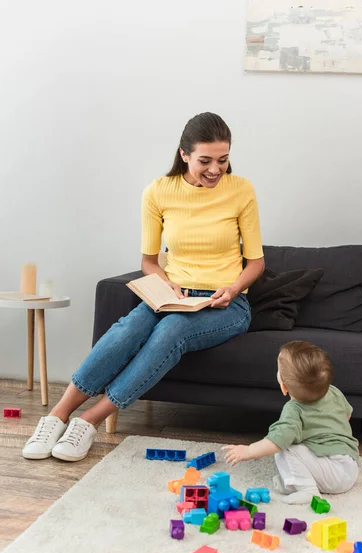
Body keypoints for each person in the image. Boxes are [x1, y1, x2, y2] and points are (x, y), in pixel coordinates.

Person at [23, 112, 265, 462]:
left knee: (172, 331)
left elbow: (256, 263)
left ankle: (88, 422)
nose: (216, 169)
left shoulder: (241, 189)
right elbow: (149, 262)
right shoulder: (159, 192)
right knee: (128, 329)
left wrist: (232, 288)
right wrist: (167, 286)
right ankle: (57, 415)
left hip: (226, 305)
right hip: (174, 297)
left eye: (223, 160)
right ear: (184, 154)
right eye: (205, 160)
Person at [224, 341, 359, 504]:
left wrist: (249, 450)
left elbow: (275, 441)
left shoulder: (294, 410)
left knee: (285, 447)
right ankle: (297, 481)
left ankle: (307, 490)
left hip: (333, 473)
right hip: (350, 467)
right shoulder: (334, 391)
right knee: (298, 446)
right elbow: (347, 416)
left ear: (284, 387)